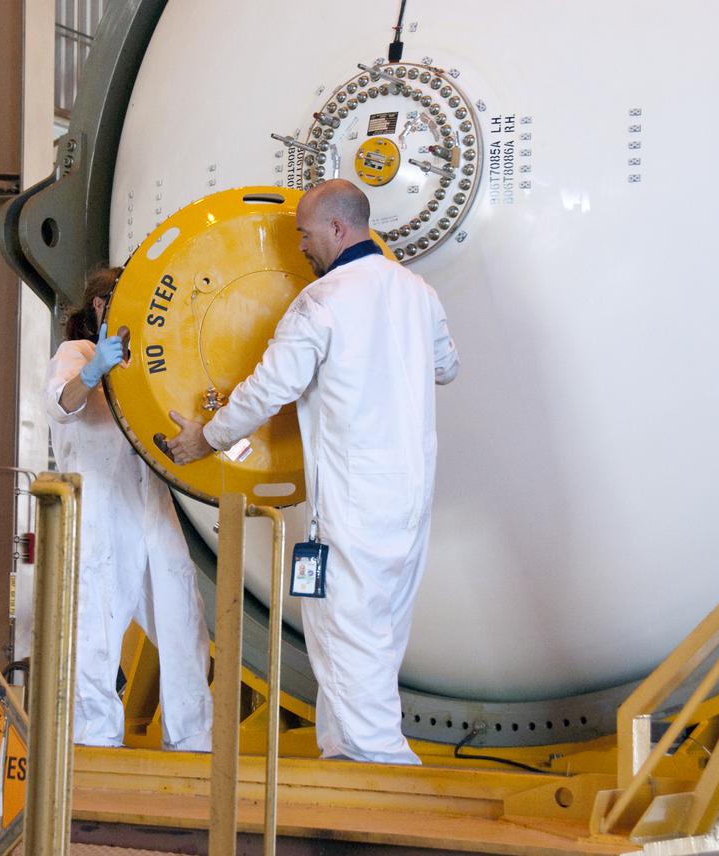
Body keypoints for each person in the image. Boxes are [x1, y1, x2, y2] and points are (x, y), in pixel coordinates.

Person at [165, 179, 459, 764]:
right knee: (378, 633)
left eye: (303, 233)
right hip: (409, 494)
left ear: (336, 229)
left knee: (340, 634)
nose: (301, 246)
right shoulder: (417, 292)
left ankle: (384, 772)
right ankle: (345, 756)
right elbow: (447, 367)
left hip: (351, 497)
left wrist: (206, 438)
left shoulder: (322, 301)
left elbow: (269, 388)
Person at [47, 266, 213, 751]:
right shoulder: (75, 354)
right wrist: (94, 368)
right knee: (95, 622)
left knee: (183, 618)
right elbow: (61, 402)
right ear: (101, 307)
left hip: (150, 504)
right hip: (99, 507)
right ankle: (94, 739)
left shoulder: (143, 363)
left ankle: (193, 738)